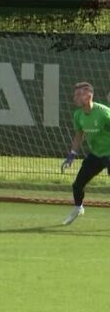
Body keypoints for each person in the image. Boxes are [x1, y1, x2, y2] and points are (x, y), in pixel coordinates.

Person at [60, 82, 110, 225]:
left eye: (79, 94)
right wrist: (72, 155)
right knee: (77, 185)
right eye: (74, 95)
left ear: (89, 96)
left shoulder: (103, 112)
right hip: (95, 155)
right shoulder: (78, 115)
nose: (75, 98)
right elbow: (79, 135)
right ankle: (78, 208)